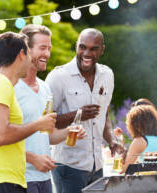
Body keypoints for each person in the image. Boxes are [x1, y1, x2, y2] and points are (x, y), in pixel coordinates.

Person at [0, 32, 56, 193]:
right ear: (21, 54)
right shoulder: (1, 84)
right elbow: (0, 135)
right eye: (29, 54)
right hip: (1, 184)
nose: (30, 60)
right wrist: (38, 124)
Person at [45, 28, 124, 193]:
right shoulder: (58, 77)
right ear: (76, 47)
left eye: (93, 48)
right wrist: (77, 114)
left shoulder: (107, 75)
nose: (87, 53)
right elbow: (45, 122)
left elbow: (104, 115)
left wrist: (111, 141)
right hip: (68, 167)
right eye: (82, 47)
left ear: (102, 49)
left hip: (97, 166)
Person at [14, 25, 86, 193]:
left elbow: (49, 136)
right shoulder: (11, 87)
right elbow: (2, 138)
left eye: (49, 48)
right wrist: (32, 159)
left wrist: (69, 131)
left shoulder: (45, 88)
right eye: (42, 48)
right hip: (20, 180)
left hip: (45, 179)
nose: (47, 54)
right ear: (25, 49)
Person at [120, 105, 157, 173]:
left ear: (135, 125)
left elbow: (125, 169)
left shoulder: (140, 141)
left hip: (147, 182)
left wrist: (120, 144)